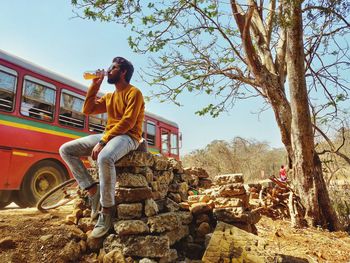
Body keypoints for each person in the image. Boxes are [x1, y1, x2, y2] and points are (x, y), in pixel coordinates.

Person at [59, 57, 145, 238]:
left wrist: (103, 141)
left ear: (123, 73)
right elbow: (87, 109)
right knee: (65, 149)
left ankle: (106, 211)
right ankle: (92, 190)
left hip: (129, 136)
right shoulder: (110, 96)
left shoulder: (134, 93)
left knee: (104, 157)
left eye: (112, 68)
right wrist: (95, 85)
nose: (108, 70)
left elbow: (128, 122)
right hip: (111, 135)